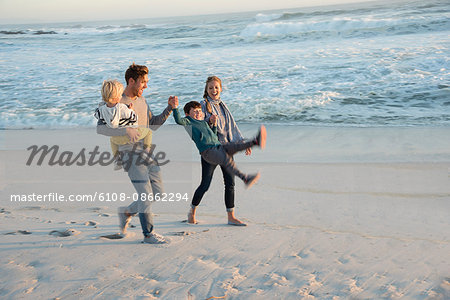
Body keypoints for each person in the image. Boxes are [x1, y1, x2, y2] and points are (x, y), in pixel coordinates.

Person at [96, 63, 178, 244]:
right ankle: (148, 234)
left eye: (147, 82)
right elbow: (101, 129)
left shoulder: (142, 101)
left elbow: (153, 125)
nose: (146, 86)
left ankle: (127, 212)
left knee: (157, 193)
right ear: (131, 81)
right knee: (146, 195)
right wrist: (125, 131)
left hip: (146, 150)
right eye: (143, 82)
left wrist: (169, 109)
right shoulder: (115, 100)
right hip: (128, 153)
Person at [173, 100, 266, 225]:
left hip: (218, 146)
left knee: (235, 146)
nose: (198, 114)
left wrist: (214, 124)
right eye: (194, 112)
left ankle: (255, 141)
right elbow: (179, 120)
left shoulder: (204, 122)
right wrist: (174, 108)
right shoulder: (189, 122)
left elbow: (215, 135)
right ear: (187, 114)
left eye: (199, 111)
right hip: (208, 151)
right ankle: (245, 178)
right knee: (210, 179)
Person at [94, 79, 152, 170]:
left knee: (112, 141)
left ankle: (117, 160)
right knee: (148, 132)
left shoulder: (101, 109)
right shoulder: (122, 108)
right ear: (116, 97)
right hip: (133, 134)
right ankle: (147, 153)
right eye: (120, 95)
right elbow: (133, 117)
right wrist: (131, 110)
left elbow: (97, 115)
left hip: (117, 139)